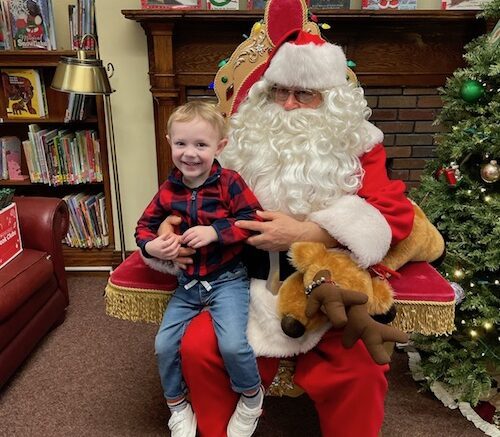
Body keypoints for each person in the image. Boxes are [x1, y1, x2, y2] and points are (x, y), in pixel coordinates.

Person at [161, 31, 415, 437]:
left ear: (330, 100)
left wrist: (308, 232)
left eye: (304, 94)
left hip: (324, 287)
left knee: (360, 367)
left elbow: (393, 215)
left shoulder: (359, 145)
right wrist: (168, 232)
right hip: (239, 282)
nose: (290, 104)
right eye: (280, 91)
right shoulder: (240, 141)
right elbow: (184, 199)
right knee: (198, 350)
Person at [135, 101, 265, 437]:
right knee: (164, 344)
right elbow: (143, 228)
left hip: (228, 281)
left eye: (201, 145)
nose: (189, 154)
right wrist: (152, 246)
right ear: (169, 142)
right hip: (188, 284)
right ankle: (177, 406)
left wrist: (215, 231)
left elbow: (252, 221)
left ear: (220, 147)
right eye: (181, 144)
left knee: (233, 345)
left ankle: (251, 396)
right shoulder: (170, 188)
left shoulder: (230, 183)